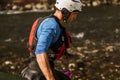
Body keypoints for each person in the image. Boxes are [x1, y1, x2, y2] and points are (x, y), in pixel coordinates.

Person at [21, 0, 82, 80]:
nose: (75, 17)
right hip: (37, 75)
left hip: (35, 70)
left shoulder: (50, 22)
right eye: (74, 14)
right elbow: (40, 53)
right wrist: (50, 78)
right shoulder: (51, 26)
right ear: (66, 11)